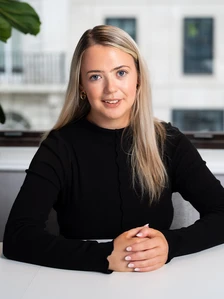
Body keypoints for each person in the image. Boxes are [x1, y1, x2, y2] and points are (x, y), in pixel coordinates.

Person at [3, 25, 224, 274]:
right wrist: (104, 256)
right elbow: (18, 236)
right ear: (82, 87)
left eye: (121, 73)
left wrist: (170, 244)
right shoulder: (58, 147)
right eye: (96, 76)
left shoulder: (168, 141)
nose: (111, 89)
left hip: (157, 285)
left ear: (138, 78)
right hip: (79, 285)